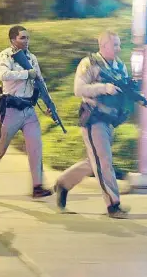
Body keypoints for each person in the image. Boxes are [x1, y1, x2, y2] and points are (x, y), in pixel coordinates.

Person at [55, 30, 131, 219]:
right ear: (103, 46)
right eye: (115, 44)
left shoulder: (120, 66)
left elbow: (124, 91)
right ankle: (113, 204)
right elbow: (78, 89)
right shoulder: (89, 63)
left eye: (119, 44)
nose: (119, 48)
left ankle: (63, 183)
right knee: (104, 162)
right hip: (93, 118)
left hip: (110, 119)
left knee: (95, 161)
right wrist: (104, 88)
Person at [0, 25, 52, 199]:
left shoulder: (32, 58)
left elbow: (40, 81)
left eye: (27, 38)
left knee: (35, 147)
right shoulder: (5, 55)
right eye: (22, 38)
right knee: (0, 148)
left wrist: (48, 103)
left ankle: (37, 186)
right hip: (10, 109)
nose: (26, 41)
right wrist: (26, 74)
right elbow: (3, 74)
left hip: (29, 109)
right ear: (12, 40)